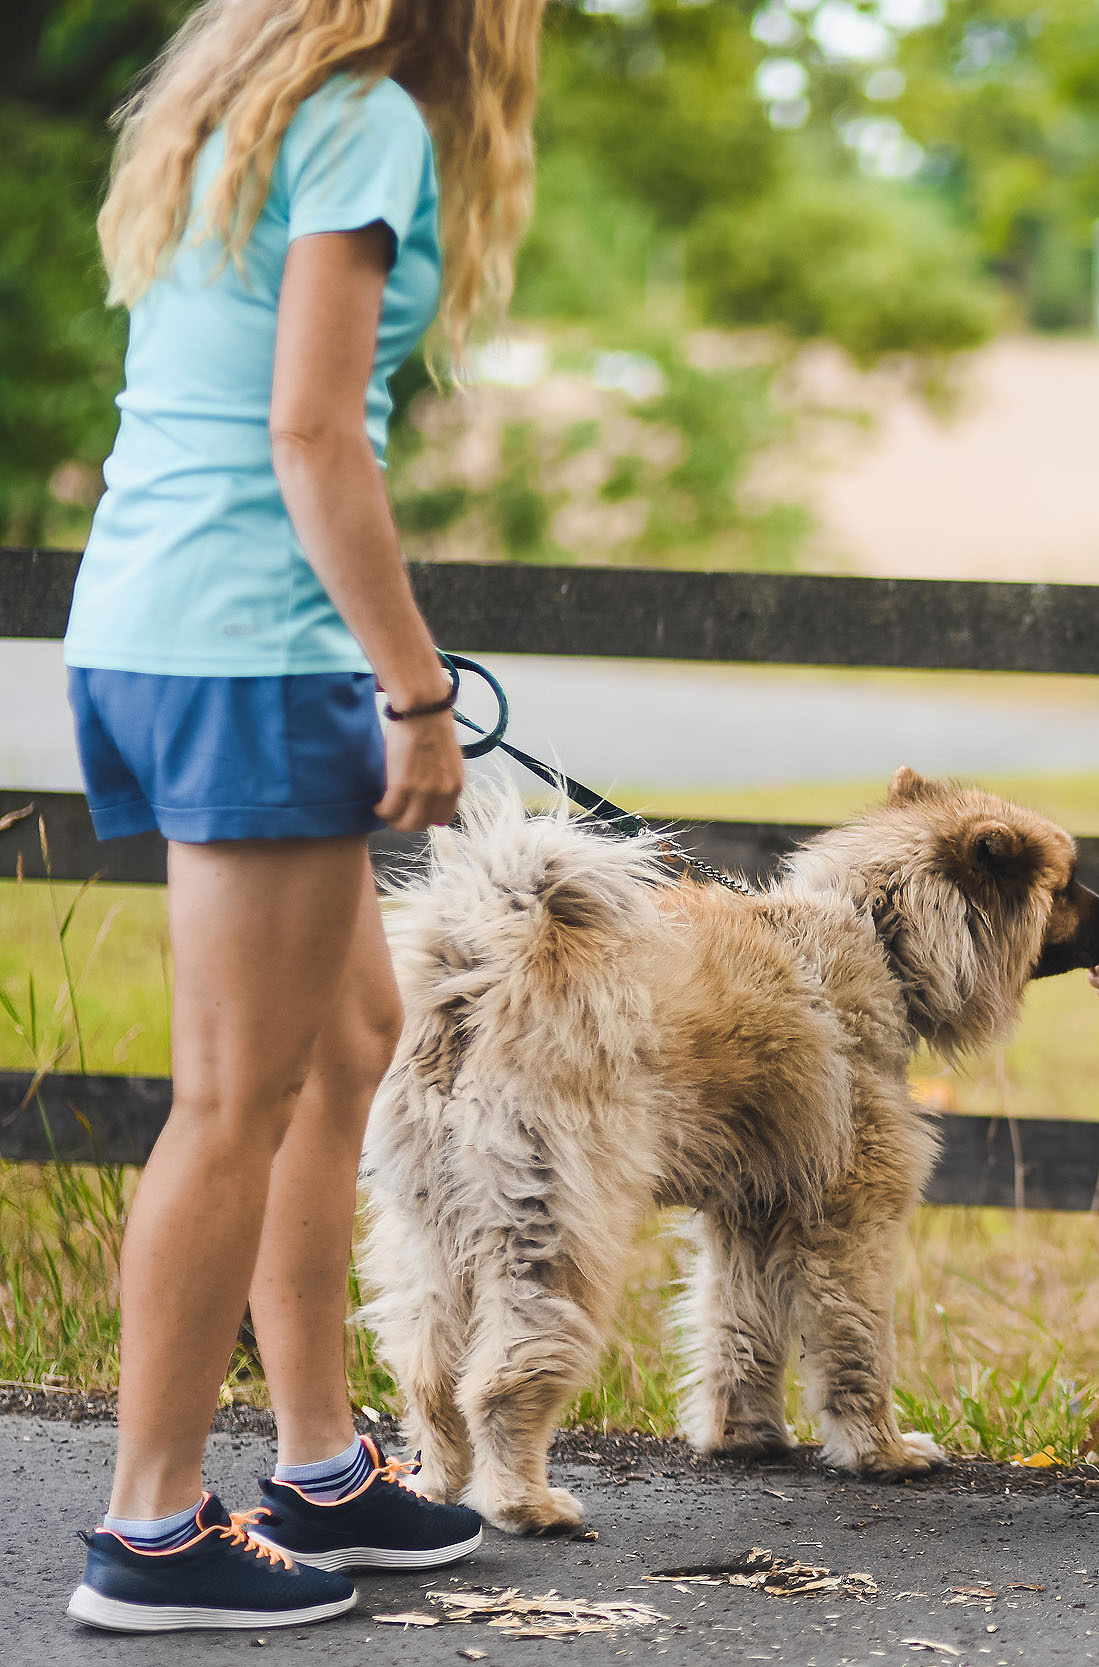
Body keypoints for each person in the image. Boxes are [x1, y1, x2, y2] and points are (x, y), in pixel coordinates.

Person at [61, 0, 545, 1631]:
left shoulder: (235, 112)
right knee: (233, 1096)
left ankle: (324, 1464)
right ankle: (150, 1525)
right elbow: (313, 429)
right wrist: (414, 688)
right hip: (248, 644)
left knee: (347, 1041)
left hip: (159, 619)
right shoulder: (363, 119)